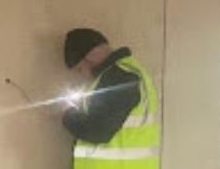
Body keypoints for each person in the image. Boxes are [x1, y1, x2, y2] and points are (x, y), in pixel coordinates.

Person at [62, 28, 160, 169]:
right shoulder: (131, 71)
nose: (83, 76)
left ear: (90, 57)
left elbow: (98, 131)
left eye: (80, 69)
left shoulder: (118, 77)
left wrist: (66, 114)